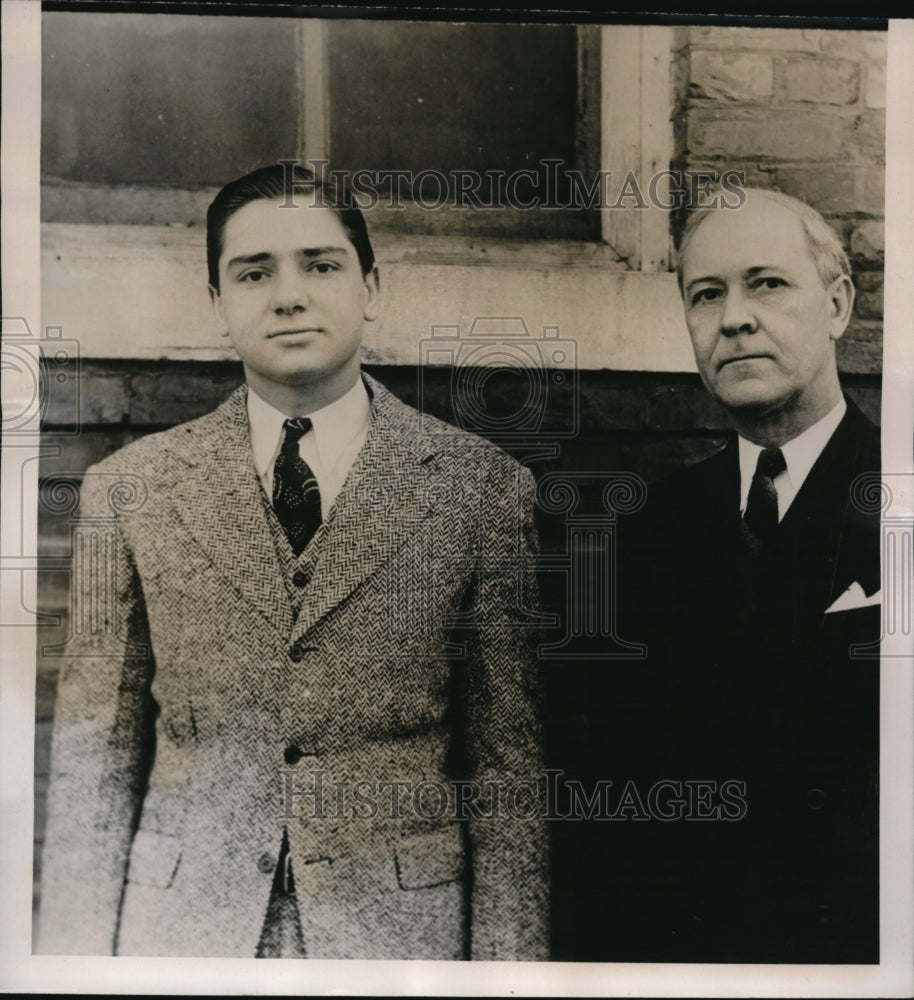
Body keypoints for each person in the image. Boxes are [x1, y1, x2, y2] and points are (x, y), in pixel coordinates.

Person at [37, 163, 548, 960]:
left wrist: (508, 974)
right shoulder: (130, 489)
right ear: (217, 304)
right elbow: (92, 758)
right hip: (183, 933)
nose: (288, 295)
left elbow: (507, 770)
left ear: (370, 285)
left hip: (398, 938)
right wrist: (71, 959)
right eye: (253, 272)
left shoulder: (480, 490)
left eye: (320, 264)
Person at [570, 187, 880, 963]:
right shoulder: (645, 532)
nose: (734, 317)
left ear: (837, 304)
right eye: (706, 295)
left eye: (767, 283)